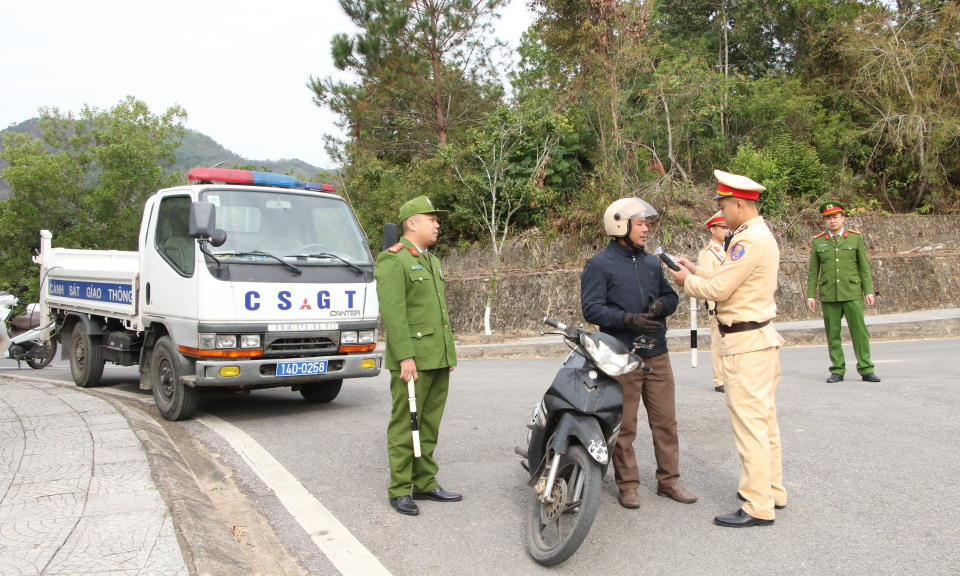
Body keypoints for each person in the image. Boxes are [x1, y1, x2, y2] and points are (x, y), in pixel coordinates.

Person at [666, 170, 786, 528]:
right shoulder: (757, 234)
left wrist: (687, 280)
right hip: (760, 339)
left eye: (722, 204)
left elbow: (719, 289)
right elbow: (727, 279)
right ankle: (772, 490)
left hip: (745, 344)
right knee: (766, 424)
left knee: (750, 427)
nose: (721, 211)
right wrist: (695, 268)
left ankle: (757, 505)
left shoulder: (747, 240)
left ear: (737, 203)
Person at [580, 198, 698, 510]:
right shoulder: (599, 264)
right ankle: (628, 485)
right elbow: (591, 308)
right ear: (620, 224)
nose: (646, 229)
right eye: (641, 223)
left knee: (665, 421)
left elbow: (671, 296)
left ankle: (669, 480)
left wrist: (661, 306)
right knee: (626, 426)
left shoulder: (650, 263)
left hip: (656, 353)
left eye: (647, 223)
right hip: (622, 355)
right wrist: (628, 319)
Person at [374, 196, 460, 516]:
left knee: (428, 424)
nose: (437, 224)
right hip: (413, 359)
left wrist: (448, 353)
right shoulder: (392, 260)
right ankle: (399, 489)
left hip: (436, 357)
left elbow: (438, 314)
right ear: (412, 223)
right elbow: (394, 315)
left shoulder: (432, 261)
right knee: (404, 423)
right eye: (431, 219)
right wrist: (405, 357)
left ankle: (424, 481)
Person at [806, 202, 880, 383]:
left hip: (852, 291)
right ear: (824, 221)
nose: (832, 221)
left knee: (859, 332)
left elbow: (864, 267)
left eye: (835, 217)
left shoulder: (855, 238)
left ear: (843, 218)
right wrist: (811, 295)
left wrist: (868, 291)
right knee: (833, 333)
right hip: (829, 293)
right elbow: (814, 271)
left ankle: (866, 368)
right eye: (828, 218)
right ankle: (837, 369)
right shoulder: (818, 241)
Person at [697, 211, 729, 393]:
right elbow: (706, 280)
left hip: (730, 303)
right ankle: (719, 379)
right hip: (717, 304)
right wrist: (712, 306)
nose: (726, 230)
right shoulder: (708, 253)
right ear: (712, 229)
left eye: (726, 227)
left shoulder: (728, 249)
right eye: (722, 227)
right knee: (718, 343)